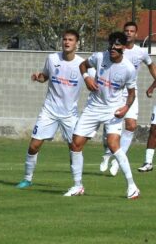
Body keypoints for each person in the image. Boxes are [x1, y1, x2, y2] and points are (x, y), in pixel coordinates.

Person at [64, 32, 139, 199]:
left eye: (117, 45)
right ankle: (77, 186)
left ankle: (132, 186)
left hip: (113, 109)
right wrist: (86, 78)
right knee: (75, 144)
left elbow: (132, 93)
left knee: (113, 145)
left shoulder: (128, 69)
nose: (113, 48)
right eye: (111, 44)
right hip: (93, 108)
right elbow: (83, 65)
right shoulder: (99, 57)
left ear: (124, 48)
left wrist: (126, 107)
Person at [16, 30, 84, 189]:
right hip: (49, 111)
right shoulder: (52, 59)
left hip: (70, 114)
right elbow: (45, 76)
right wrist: (38, 77)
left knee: (75, 147)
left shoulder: (83, 64)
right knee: (33, 145)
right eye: (65, 39)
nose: (67, 42)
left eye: (71, 40)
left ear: (76, 43)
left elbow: (94, 82)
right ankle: (27, 179)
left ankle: (77, 184)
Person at [100, 21, 156, 175]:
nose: (129, 33)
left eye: (132, 31)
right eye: (126, 30)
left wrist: (153, 84)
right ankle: (106, 154)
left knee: (131, 126)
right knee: (108, 126)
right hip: (114, 93)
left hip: (131, 94)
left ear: (136, 34)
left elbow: (151, 65)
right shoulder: (114, 49)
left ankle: (119, 161)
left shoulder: (141, 52)